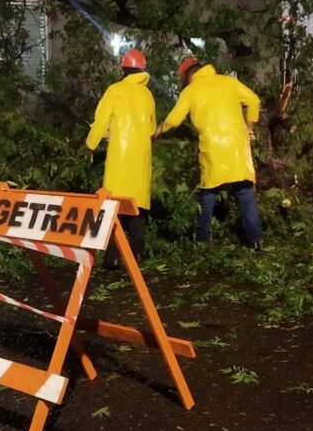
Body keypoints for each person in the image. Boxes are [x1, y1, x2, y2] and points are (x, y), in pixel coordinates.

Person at [157, 57, 263, 250]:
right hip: (238, 149)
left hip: (213, 149)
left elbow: (173, 120)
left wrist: (157, 131)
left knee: (208, 195)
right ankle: (255, 241)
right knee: (245, 194)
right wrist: (249, 128)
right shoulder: (229, 82)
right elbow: (254, 101)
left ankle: (203, 242)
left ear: (188, 75)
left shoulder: (190, 91)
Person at [85, 48, 155, 268]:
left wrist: (90, 144)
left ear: (124, 70)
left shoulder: (114, 90)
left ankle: (113, 257)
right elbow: (151, 128)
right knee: (137, 206)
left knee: (113, 205)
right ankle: (136, 255)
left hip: (118, 157)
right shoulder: (147, 95)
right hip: (141, 158)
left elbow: (101, 121)